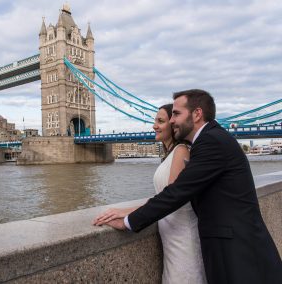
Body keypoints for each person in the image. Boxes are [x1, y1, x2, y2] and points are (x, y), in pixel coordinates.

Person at [94, 89, 282, 283]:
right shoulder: (210, 139)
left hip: (238, 251)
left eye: (176, 114)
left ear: (197, 114)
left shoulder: (211, 142)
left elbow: (177, 192)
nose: (172, 120)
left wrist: (129, 221)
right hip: (233, 245)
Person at [94, 104, 206, 283]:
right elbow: (163, 195)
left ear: (173, 125)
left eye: (160, 121)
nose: (154, 125)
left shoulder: (181, 151)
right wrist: (126, 210)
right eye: (155, 120)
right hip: (172, 238)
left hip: (183, 240)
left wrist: (128, 216)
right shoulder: (171, 153)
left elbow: (171, 199)